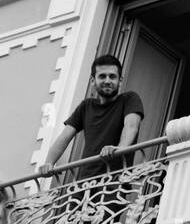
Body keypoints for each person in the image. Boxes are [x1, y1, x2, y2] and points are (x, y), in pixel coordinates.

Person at [40, 54, 144, 182]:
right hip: (83, 184)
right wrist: (49, 163)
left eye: (112, 76)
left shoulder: (129, 99)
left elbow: (131, 127)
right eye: (102, 76)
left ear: (120, 81)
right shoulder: (86, 106)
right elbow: (64, 137)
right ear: (93, 81)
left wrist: (120, 148)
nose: (107, 81)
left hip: (114, 184)